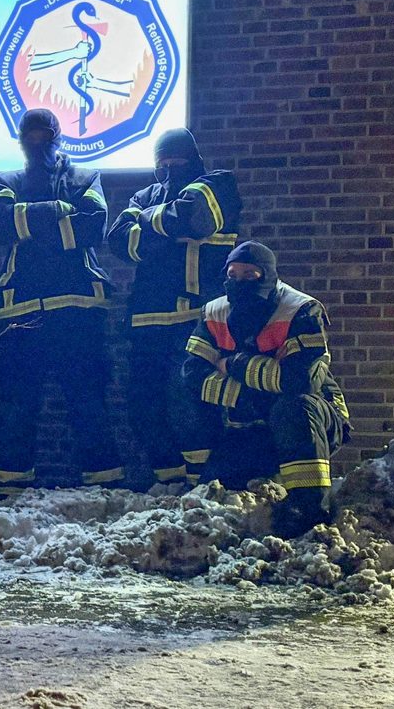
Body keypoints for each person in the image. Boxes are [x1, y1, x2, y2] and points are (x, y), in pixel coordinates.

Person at [0, 108, 121, 497]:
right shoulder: (4, 180)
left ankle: (104, 486)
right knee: (16, 405)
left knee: (88, 400)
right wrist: (58, 213)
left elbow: (94, 225)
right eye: (31, 135)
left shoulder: (84, 176)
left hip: (79, 311)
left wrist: (28, 225)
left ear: (58, 136)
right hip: (21, 312)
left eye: (45, 134)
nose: (38, 141)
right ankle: (10, 490)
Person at [181, 241, 352, 538]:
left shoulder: (301, 310)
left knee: (293, 407)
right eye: (233, 275)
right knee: (217, 487)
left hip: (316, 420)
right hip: (251, 423)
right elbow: (193, 376)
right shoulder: (214, 312)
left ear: (268, 276)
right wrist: (255, 398)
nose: (240, 282)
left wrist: (232, 364)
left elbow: (301, 382)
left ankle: (309, 510)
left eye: (250, 275)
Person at [106, 128, 242, 488]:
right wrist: (166, 229)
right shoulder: (144, 194)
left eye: (175, 161)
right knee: (142, 406)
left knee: (190, 406)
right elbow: (119, 241)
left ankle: (203, 485)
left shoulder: (218, 184)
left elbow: (194, 218)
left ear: (192, 159)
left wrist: (149, 223)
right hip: (146, 320)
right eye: (161, 163)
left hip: (198, 318)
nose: (168, 169)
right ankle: (169, 484)